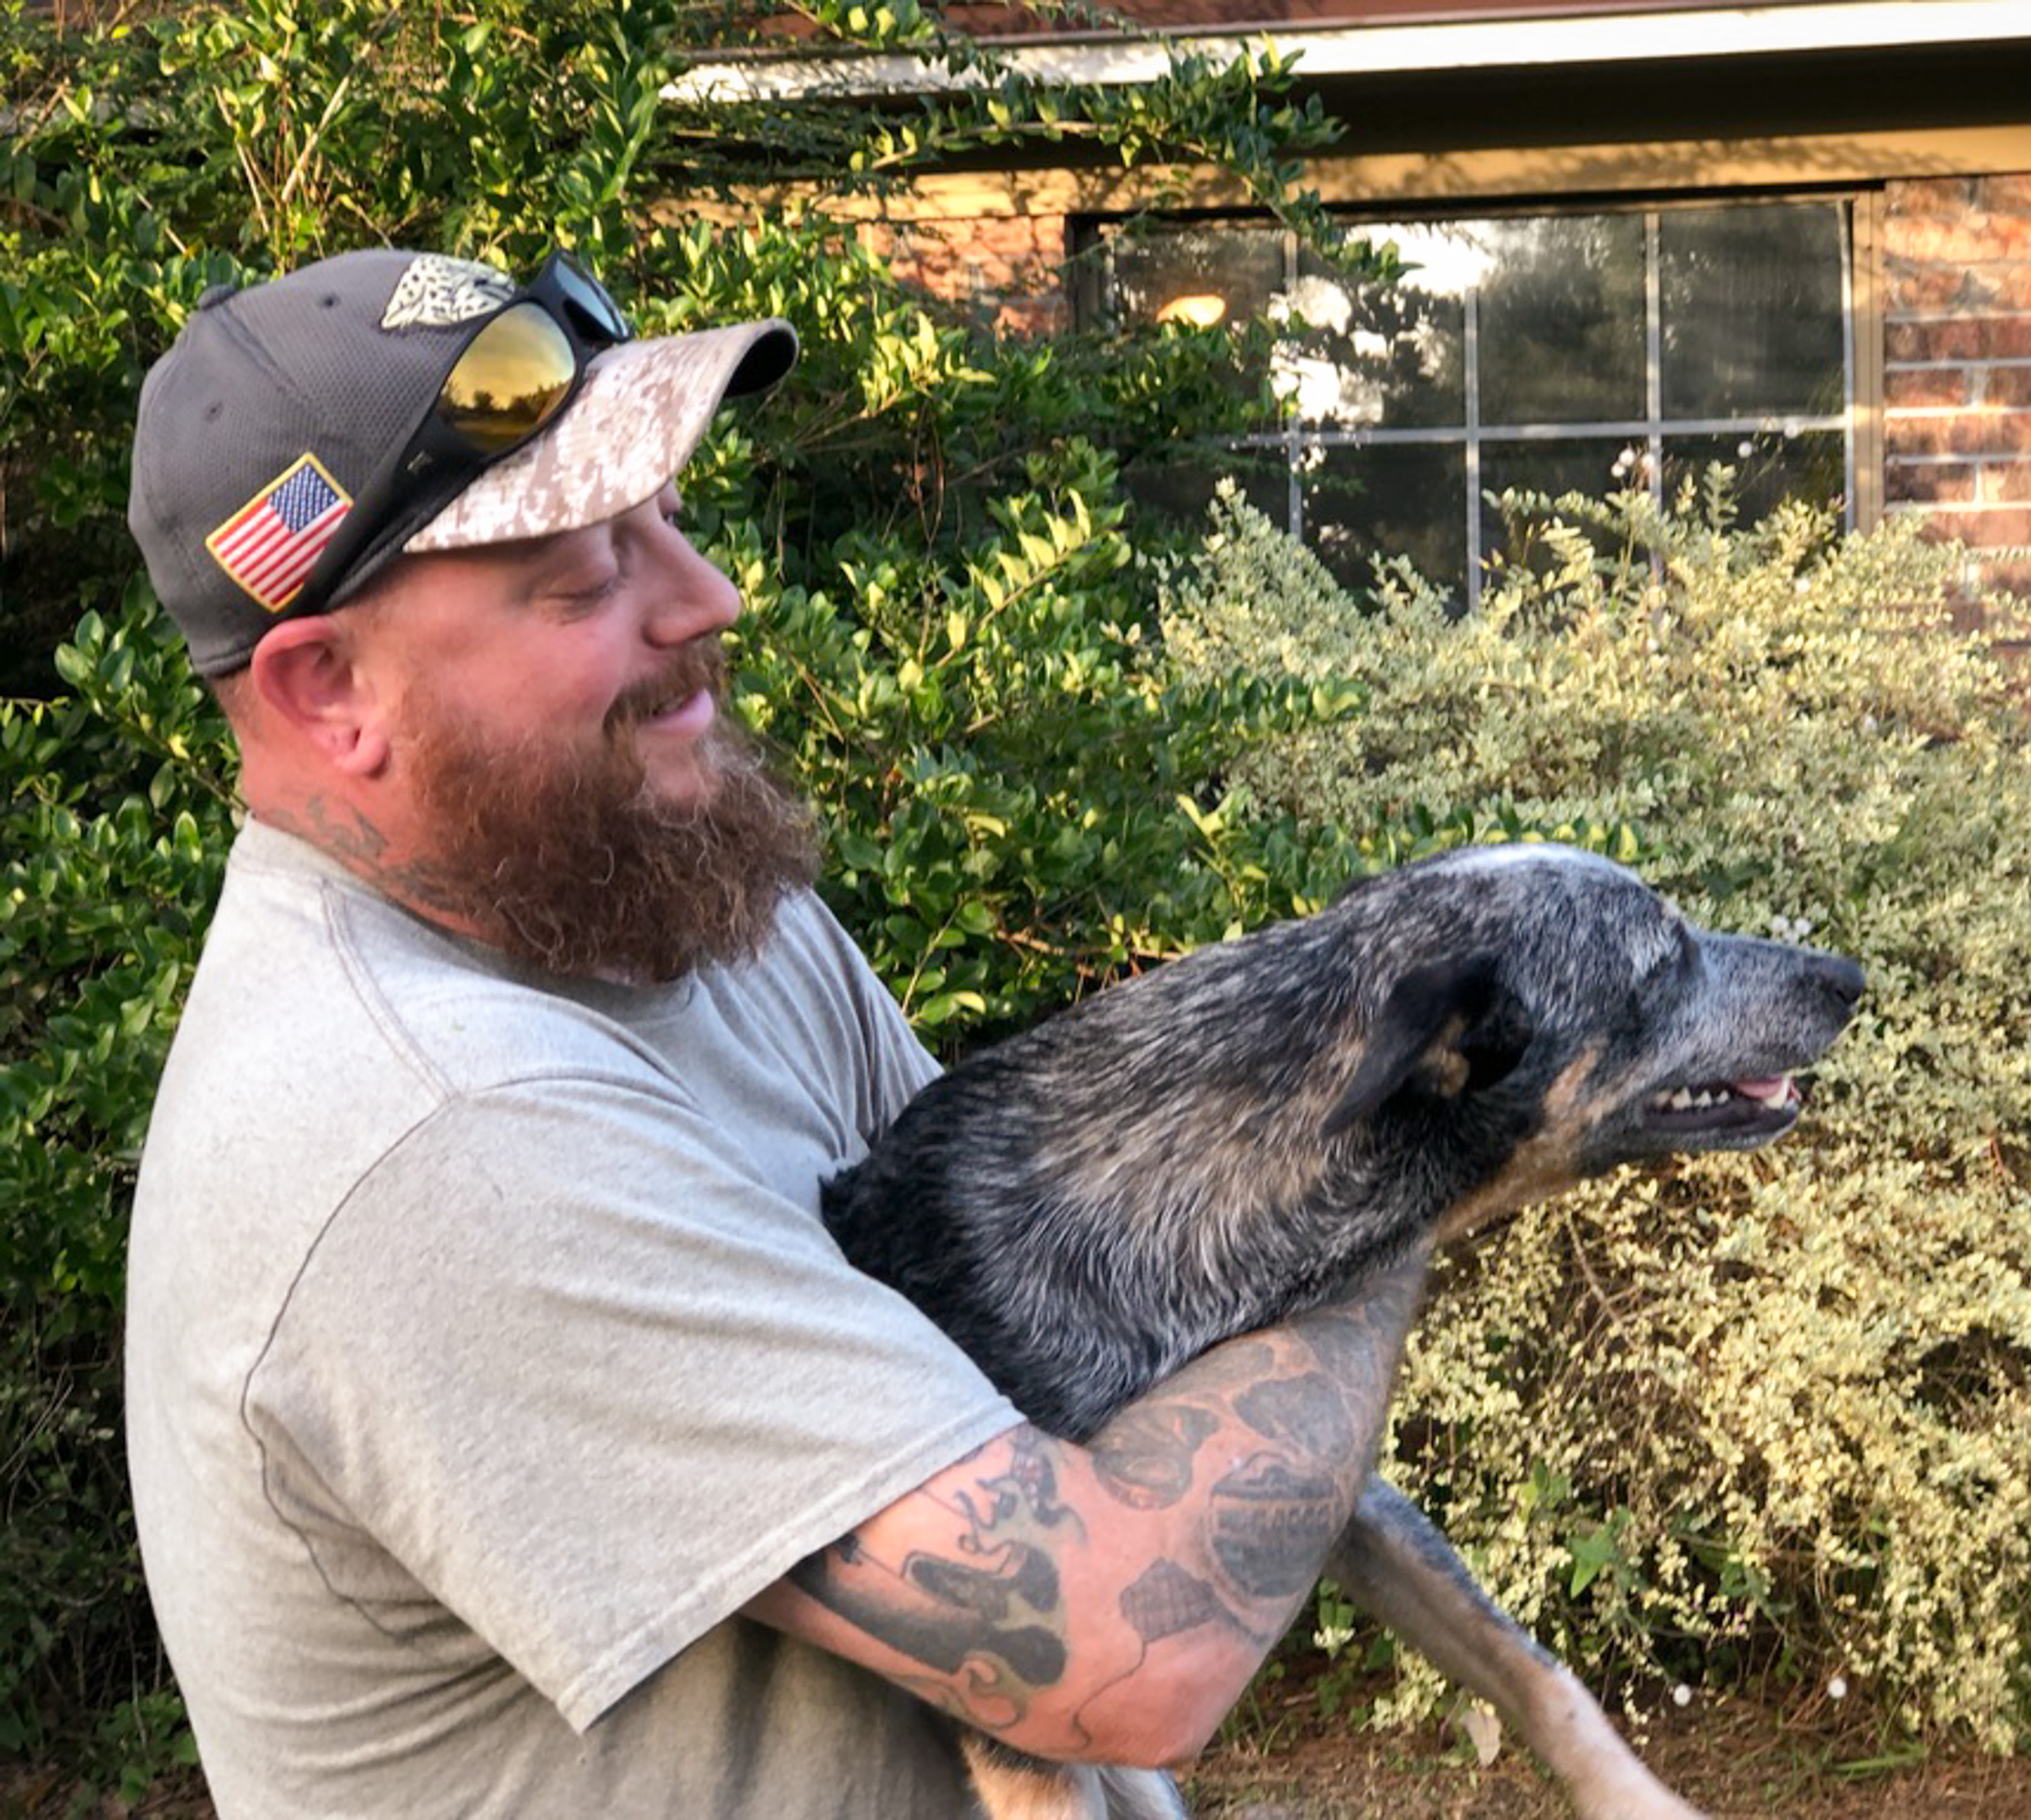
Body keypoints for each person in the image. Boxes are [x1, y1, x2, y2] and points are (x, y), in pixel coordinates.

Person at [121, 245, 1424, 1818]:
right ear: (327, 690)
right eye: (583, 577)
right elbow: (1133, 1650)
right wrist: (1409, 1148)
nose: (707, 598)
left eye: (668, 517)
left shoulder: (668, 900)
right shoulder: (427, 1133)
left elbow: (1060, 1312)